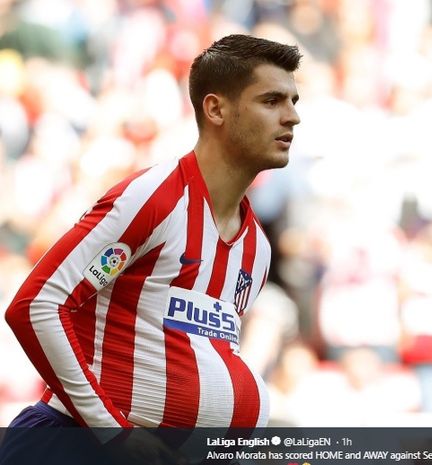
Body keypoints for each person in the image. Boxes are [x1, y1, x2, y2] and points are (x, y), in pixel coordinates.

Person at [0, 33, 301, 464]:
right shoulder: (155, 199)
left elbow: (197, 350)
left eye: (293, 102)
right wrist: (114, 434)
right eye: (272, 101)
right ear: (215, 108)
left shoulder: (257, 247)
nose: (292, 118)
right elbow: (36, 305)